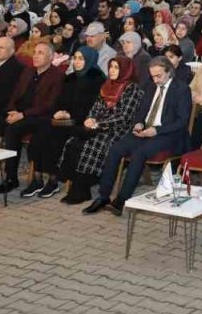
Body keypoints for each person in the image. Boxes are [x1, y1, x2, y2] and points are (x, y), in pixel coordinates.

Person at [84, 56, 193, 215]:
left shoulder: (181, 89)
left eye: (158, 76)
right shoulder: (150, 86)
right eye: (152, 76)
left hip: (168, 134)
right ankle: (103, 196)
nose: (155, 80)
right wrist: (138, 123)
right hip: (145, 130)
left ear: (169, 72)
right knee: (115, 150)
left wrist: (157, 130)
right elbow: (141, 111)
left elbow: (182, 121)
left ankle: (121, 200)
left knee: (139, 154)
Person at [57, 55, 142, 205]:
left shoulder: (132, 89)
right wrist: (90, 119)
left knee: (92, 143)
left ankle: (81, 187)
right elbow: (95, 108)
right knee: (74, 141)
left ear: (126, 70)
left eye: (116, 67)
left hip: (119, 129)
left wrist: (99, 124)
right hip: (99, 125)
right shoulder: (107, 85)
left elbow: (124, 117)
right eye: (111, 67)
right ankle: (79, 186)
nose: (112, 70)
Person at [23, 46, 104, 199]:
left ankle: (53, 181)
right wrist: (59, 111)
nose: (77, 62)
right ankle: (37, 178)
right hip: (64, 120)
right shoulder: (71, 77)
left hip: (82, 122)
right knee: (40, 133)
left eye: (81, 59)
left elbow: (92, 108)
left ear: (90, 60)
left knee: (55, 138)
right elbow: (59, 100)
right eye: (75, 58)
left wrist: (69, 114)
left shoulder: (97, 79)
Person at [0, 41, 63, 193]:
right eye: (35, 52)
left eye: (41, 53)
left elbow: (49, 105)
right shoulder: (28, 71)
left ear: (51, 57)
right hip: (20, 114)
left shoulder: (56, 76)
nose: (36, 56)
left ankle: (11, 177)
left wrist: (22, 114)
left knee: (12, 130)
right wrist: (12, 110)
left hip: (40, 116)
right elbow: (15, 94)